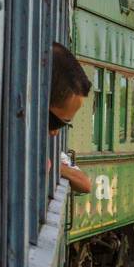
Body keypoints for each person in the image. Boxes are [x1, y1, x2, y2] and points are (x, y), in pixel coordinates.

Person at [50, 42, 93, 194]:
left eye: (62, 125)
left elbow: (86, 184)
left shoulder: (48, 149)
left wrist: (55, 167)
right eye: (53, 122)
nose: (55, 132)